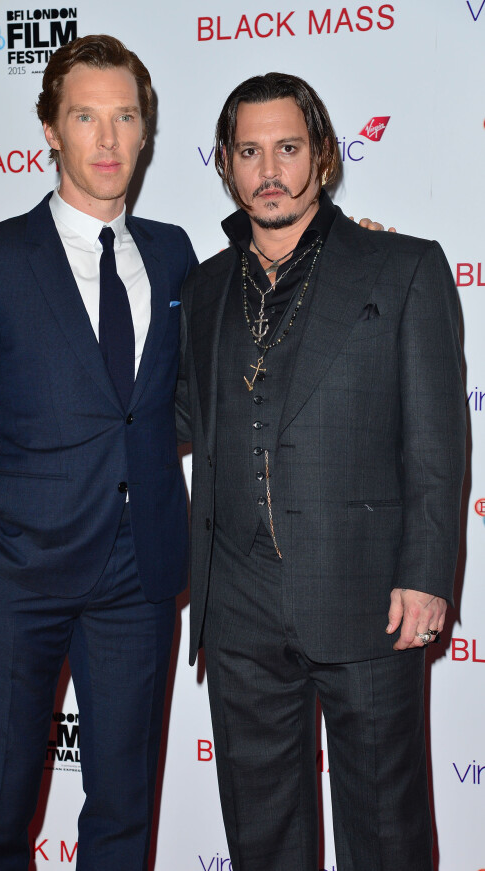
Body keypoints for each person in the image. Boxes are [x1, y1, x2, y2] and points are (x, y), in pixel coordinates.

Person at [0, 34, 197, 871]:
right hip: (20, 568)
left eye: (125, 118)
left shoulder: (178, 252)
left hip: (140, 574)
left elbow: (214, 375)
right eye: (86, 117)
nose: (107, 141)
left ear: (146, 132)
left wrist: (350, 251)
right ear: (49, 128)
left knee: (121, 819)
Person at [176, 72, 465, 871]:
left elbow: (438, 436)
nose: (270, 169)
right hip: (237, 608)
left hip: (369, 596)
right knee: (262, 841)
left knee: (387, 835)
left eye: (289, 148)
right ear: (227, 165)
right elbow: (167, 419)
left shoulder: (400, 267)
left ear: (325, 157)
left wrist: (427, 572)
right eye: (250, 151)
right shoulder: (200, 289)